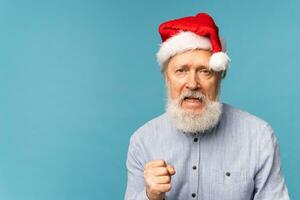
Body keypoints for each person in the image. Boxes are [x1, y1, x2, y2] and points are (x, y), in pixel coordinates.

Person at [125, 12, 290, 200]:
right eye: (181, 71)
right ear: (166, 78)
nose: (193, 83)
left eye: (205, 71)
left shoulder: (259, 136)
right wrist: (151, 196)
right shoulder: (143, 141)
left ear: (220, 78)